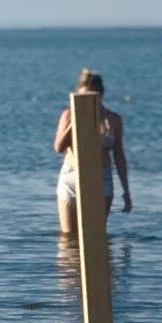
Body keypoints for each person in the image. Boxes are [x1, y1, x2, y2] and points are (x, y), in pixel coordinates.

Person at [53, 70, 129, 233]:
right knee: (68, 236)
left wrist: (126, 191)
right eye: (82, 97)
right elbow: (59, 147)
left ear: (100, 95)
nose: (87, 101)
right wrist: (77, 120)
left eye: (91, 97)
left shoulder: (112, 120)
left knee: (95, 233)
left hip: (101, 176)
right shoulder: (68, 115)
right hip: (71, 175)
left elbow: (119, 156)